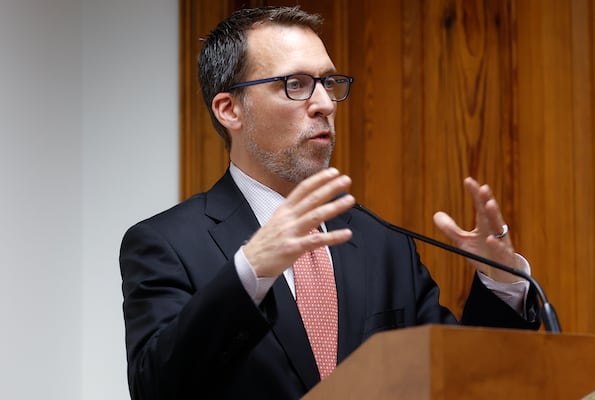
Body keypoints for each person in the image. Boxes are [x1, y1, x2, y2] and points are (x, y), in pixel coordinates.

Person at [120, 6, 539, 400]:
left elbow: (464, 379)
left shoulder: (382, 244)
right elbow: (156, 386)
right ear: (230, 109)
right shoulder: (165, 244)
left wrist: (500, 281)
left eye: (328, 83)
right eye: (295, 84)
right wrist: (252, 271)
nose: (323, 104)